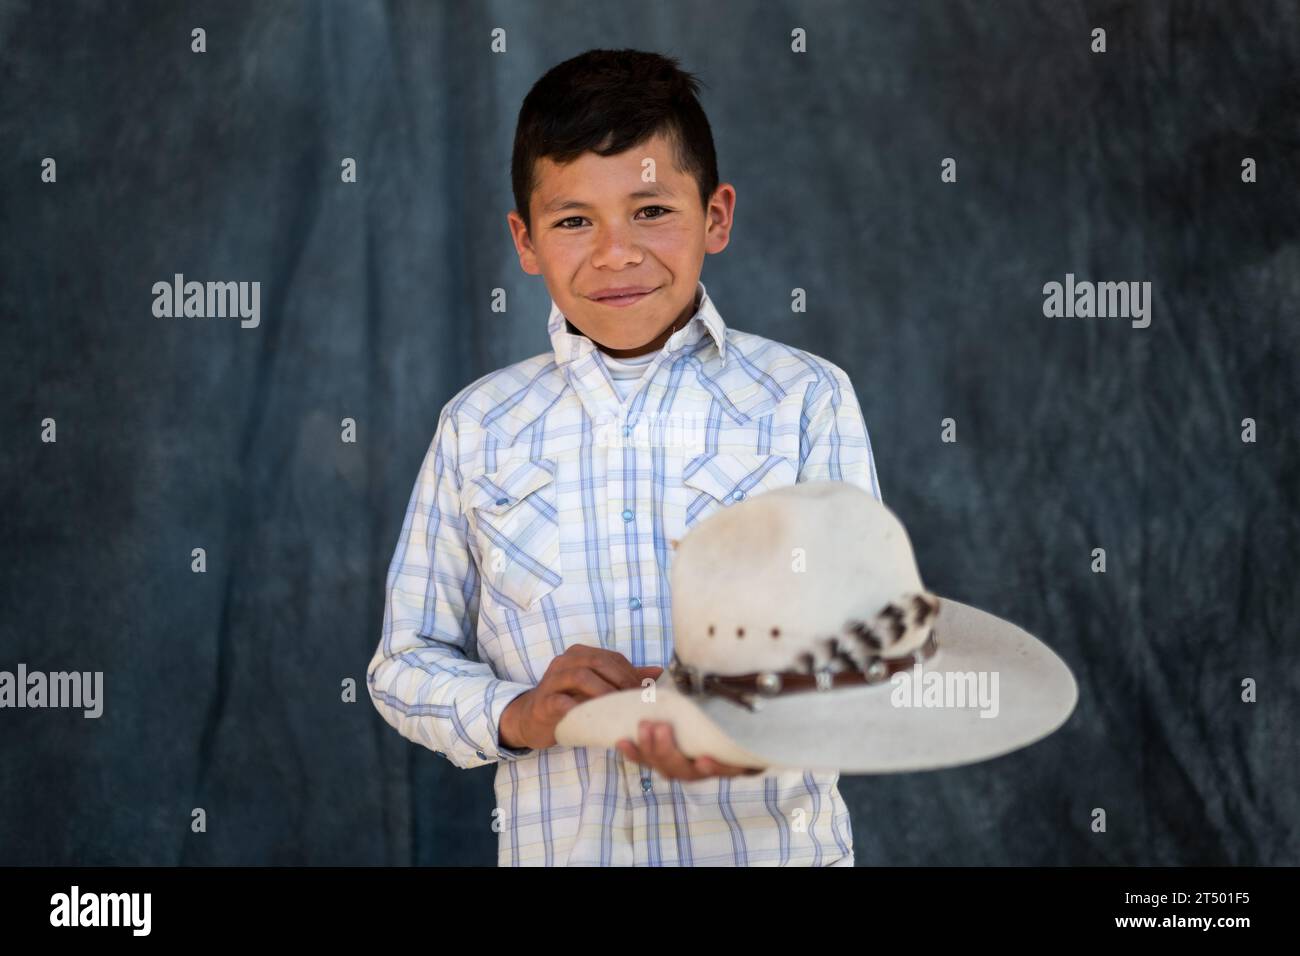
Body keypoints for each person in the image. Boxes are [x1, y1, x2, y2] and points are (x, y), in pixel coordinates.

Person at [367, 48, 882, 866]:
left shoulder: (803, 401)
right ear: (525, 240)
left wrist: (757, 711)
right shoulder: (480, 427)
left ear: (716, 216)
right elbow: (404, 663)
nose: (615, 253)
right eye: (574, 220)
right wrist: (521, 712)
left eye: (651, 211)